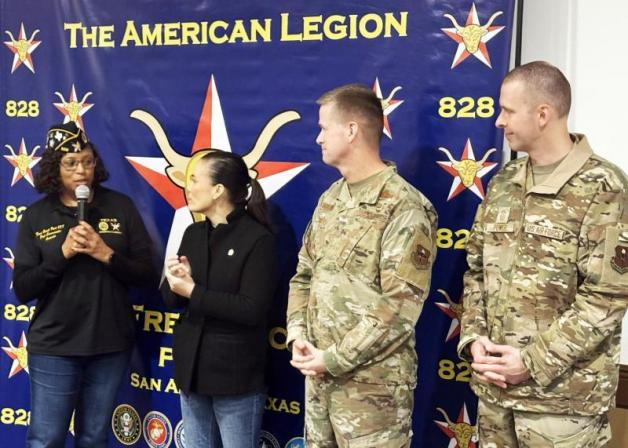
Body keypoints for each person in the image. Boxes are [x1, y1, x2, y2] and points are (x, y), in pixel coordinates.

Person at [458, 61, 628, 447]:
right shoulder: (504, 182)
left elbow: (608, 297)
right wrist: (474, 337)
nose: (499, 121)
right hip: (495, 396)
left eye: (508, 110)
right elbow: (477, 271)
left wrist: (532, 361)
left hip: (561, 406)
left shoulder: (604, 187)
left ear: (543, 114)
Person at [286, 84, 438, 447]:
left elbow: (399, 306)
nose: (319, 138)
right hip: (319, 381)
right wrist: (298, 335)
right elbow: (304, 274)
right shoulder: (331, 198)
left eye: (324, 128)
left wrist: (334, 359)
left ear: (351, 130)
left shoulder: (403, 205)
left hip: (372, 392)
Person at [13, 121, 157, 448]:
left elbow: (147, 275)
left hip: (109, 343)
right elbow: (23, 288)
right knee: (46, 439)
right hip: (55, 346)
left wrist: (106, 254)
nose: (82, 171)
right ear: (55, 168)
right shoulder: (37, 216)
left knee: (93, 438)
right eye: (71, 163)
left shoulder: (120, 206)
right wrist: (62, 254)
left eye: (88, 161)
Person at [161, 149, 278, 448]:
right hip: (191, 373)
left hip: (235, 377)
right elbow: (172, 301)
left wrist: (193, 291)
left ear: (218, 190)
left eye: (194, 179)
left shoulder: (257, 239)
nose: (187, 187)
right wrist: (176, 280)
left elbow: (251, 309)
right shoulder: (192, 233)